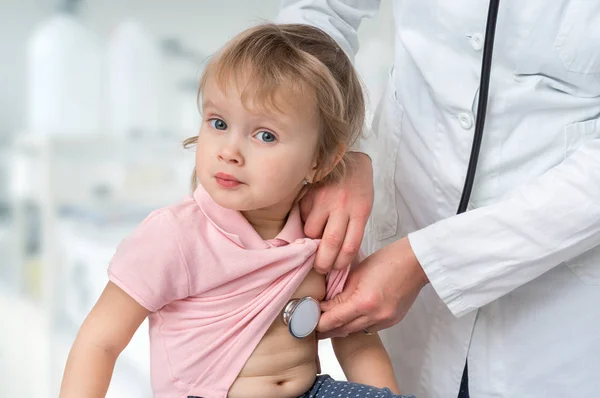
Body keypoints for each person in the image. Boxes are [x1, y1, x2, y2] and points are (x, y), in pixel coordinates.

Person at [59, 23, 415, 398]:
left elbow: (357, 342)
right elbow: (100, 341)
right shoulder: (175, 236)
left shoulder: (324, 237)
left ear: (321, 162)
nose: (229, 151)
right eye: (218, 123)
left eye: (265, 135)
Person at [276, 1, 600, 397]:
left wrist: (429, 260)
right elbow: (319, 12)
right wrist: (337, 151)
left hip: (559, 287)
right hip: (405, 209)